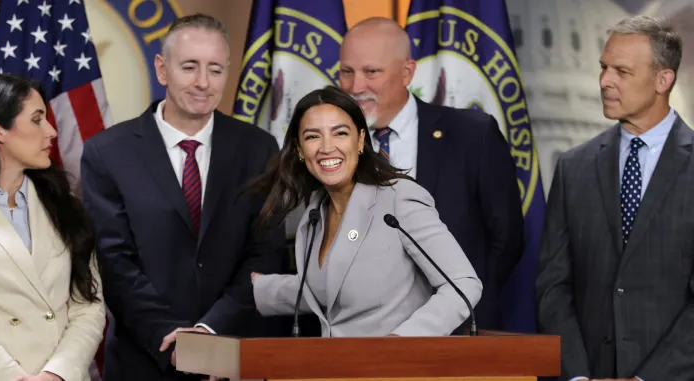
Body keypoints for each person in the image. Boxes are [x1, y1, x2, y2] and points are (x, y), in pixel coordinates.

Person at [80, 14, 287, 381]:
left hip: (232, 357)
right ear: (162, 69)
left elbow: (266, 254)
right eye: (190, 67)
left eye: (216, 69)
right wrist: (174, 339)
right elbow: (115, 263)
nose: (203, 83)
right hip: (144, 360)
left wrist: (209, 333)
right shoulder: (108, 152)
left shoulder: (259, 148)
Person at [247, 85, 482, 337]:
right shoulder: (315, 213)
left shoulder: (398, 198)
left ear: (359, 140)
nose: (327, 147)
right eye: (313, 136)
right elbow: (333, 283)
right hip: (334, 371)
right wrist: (259, 289)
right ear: (300, 150)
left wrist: (401, 343)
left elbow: (462, 283)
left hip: (395, 370)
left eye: (340, 133)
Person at [338, 17, 523, 331]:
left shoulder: (472, 136)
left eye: (371, 72)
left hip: (454, 334)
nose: (356, 87)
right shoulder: (331, 144)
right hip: (357, 336)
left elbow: (506, 240)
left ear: (407, 72)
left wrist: (461, 308)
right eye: (346, 72)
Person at [536, 15, 694, 381]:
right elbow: (553, 287)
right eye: (604, 68)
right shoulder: (574, 168)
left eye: (621, 72)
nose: (604, 81)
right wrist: (576, 375)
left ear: (663, 80)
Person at [0, 73, 105, 381]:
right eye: (37, 120)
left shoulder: (64, 205)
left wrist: (56, 374)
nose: (51, 131)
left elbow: (89, 305)